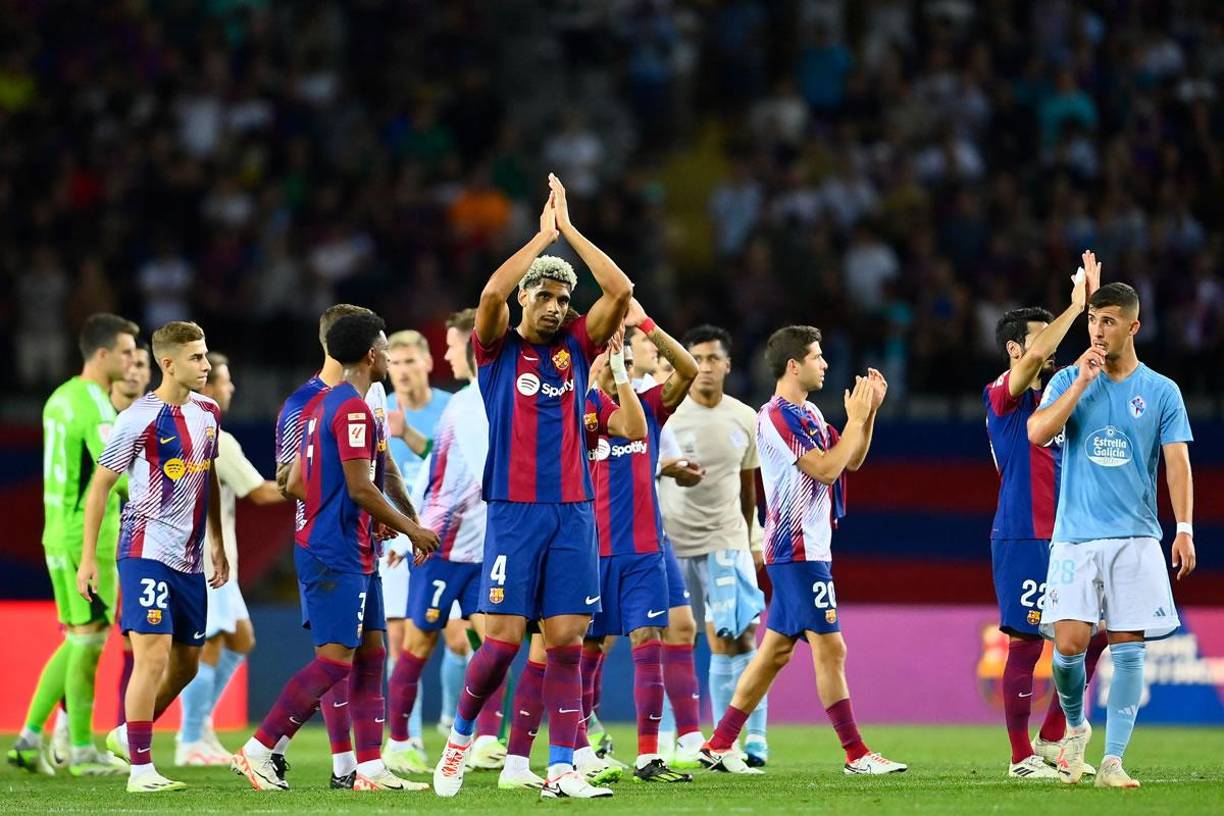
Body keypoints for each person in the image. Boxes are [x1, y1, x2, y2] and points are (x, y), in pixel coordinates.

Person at [432, 173, 632, 800]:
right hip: (514, 512)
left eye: (561, 297)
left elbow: (621, 290)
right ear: (525, 298)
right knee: (502, 643)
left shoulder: (578, 344)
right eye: (542, 295)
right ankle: (459, 741)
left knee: (567, 641)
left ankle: (563, 769)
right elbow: (491, 291)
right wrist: (542, 238)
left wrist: (570, 231)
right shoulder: (495, 350)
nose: (552, 305)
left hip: (574, 511)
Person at [233, 311, 438, 792]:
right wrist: (412, 529)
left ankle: (369, 768)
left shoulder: (330, 404)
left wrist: (375, 518)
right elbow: (360, 487)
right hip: (333, 548)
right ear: (369, 355)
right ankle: (259, 749)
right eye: (385, 349)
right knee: (333, 662)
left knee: (371, 654)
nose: (388, 357)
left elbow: (318, 478)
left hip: (355, 544)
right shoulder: (349, 409)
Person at [701, 325, 906, 776]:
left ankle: (718, 743)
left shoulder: (809, 412)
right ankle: (856, 754)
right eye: (817, 356)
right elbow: (826, 470)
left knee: (774, 652)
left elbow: (851, 459)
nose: (825, 364)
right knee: (832, 649)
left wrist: (868, 414)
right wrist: (854, 419)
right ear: (794, 366)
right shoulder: (775, 416)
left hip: (807, 550)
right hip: (796, 551)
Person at [1027, 282, 1196, 788]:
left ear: (1133, 326)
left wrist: (1183, 528)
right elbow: (1037, 433)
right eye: (1092, 321)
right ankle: (1076, 725)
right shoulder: (1068, 378)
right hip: (1076, 536)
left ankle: (1113, 762)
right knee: (1069, 645)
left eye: (1108, 321)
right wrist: (1080, 383)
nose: (1097, 331)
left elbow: (1178, 464)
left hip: (1136, 537)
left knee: (1128, 646)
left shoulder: (1162, 391)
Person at [78, 320, 228, 793]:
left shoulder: (208, 412)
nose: (205, 366)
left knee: (187, 663)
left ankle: (128, 734)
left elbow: (207, 475)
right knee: (153, 654)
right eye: (196, 358)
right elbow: (101, 486)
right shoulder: (138, 418)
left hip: (189, 557)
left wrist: (217, 541)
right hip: (144, 548)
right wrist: (88, 559)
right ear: (168, 363)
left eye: (204, 355)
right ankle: (141, 771)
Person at [984, 252, 1107, 780]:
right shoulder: (1002, 396)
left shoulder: (1057, 395)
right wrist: (1075, 307)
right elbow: (1038, 355)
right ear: (1016, 349)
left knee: (1096, 632)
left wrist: (1097, 317)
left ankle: (1053, 736)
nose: (1051, 349)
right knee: (1027, 640)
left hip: (1070, 533)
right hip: (1024, 532)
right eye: (1041, 340)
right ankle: (1020, 757)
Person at [7, 314, 138, 778]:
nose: (132, 361)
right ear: (102, 354)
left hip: (57, 530)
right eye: (126, 352)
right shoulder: (96, 407)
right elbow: (112, 475)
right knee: (89, 640)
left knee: (80, 636)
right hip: (89, 536)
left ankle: (29, 740)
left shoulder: (59, 398)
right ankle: (80, 750)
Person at [581, 300, 699, 782]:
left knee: (648, 639)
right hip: (592, 550)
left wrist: (646, 324)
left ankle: (649, 755)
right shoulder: (582, 409)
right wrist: (598, 374)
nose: (621, 365)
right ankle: (581, 747)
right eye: (614, 357)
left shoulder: (649, 407)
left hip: (644, 549)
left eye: (627, 360)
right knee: (587, 648)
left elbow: (687, 369)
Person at [384, 309, 503, 774]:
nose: (448, 355)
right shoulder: (467, 406)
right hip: (441, 546)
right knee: (416, 645)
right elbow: (454, 476)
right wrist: (406, 535)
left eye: (452, 346)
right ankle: (399, 741)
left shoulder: (479, 399)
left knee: (495, 644)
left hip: (483, 548)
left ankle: (485, 739)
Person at [655, 324, 769, 765]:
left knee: (737, 635)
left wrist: (752, 539)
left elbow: (749, 488)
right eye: (696, 359)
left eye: (712, 359)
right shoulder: (666, 413)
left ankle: (744, 740)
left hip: (725, 538)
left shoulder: (744, 417)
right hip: (674, 542)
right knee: (674, 640)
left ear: (727, 365)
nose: (704, 367)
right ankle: (669, 737)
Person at [174, 353, 284, 765]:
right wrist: (311, 483)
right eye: (224, 380)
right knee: (211, 645)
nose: (231, 387)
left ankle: (199, 726)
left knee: (240, 638)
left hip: (209, 559)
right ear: (206, 387)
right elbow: (260, 493)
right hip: (205, 560)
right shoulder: (216, 438)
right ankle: (190, 739)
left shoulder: (185, 429)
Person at [380, 329, 452, 760]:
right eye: (395, 363)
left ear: (427, 362)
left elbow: (454, 466)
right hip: (394, 542)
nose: (403, 371)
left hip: (446, 538)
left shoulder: (450, 408)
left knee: (460, 639)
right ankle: (406, 740)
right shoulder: (378, 410)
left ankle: (456, 723)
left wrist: (407, 434)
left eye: (410, 361)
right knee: (400, 639)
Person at [112, 343, 153, 411]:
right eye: (125, 363)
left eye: (139, 365)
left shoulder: (162, 416)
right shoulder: (93, 410)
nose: (132, 371)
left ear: (148, 375)